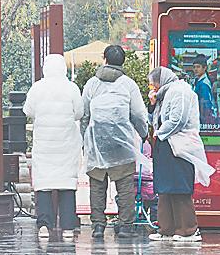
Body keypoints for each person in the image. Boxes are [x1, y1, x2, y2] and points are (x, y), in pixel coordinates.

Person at [80, 45, 149, 240]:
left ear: (105, 59)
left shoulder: (92, 84)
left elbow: (84, 114)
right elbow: (138, 114)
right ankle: (125, 225)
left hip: (97, 141)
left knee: (97, 183)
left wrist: (85, 139)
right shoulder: (128, 84)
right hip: (121, 142)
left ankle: (98, 225)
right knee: (125, 184)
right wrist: (143, 133)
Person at [147, 67, 216, 242]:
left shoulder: (180, 91)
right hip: (165, 143)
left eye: (153, 83)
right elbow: (154, 120)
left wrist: (159, 133)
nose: (152, 87)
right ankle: (166, 228)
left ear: (161, 81)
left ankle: (188, 230)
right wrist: (153, 105)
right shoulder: (164, 94)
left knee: (179, 185)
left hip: (179, 145)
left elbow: (178, 120)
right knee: (164, 187)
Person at [24, 54, 84, 240]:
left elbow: (28, 111)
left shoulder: (37, 88)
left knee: (44, 184)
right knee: (67, 184)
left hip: (44, 144)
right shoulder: (72, 88)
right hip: (67, 143)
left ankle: (44, 225)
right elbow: (79, 113)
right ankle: (67, 227)